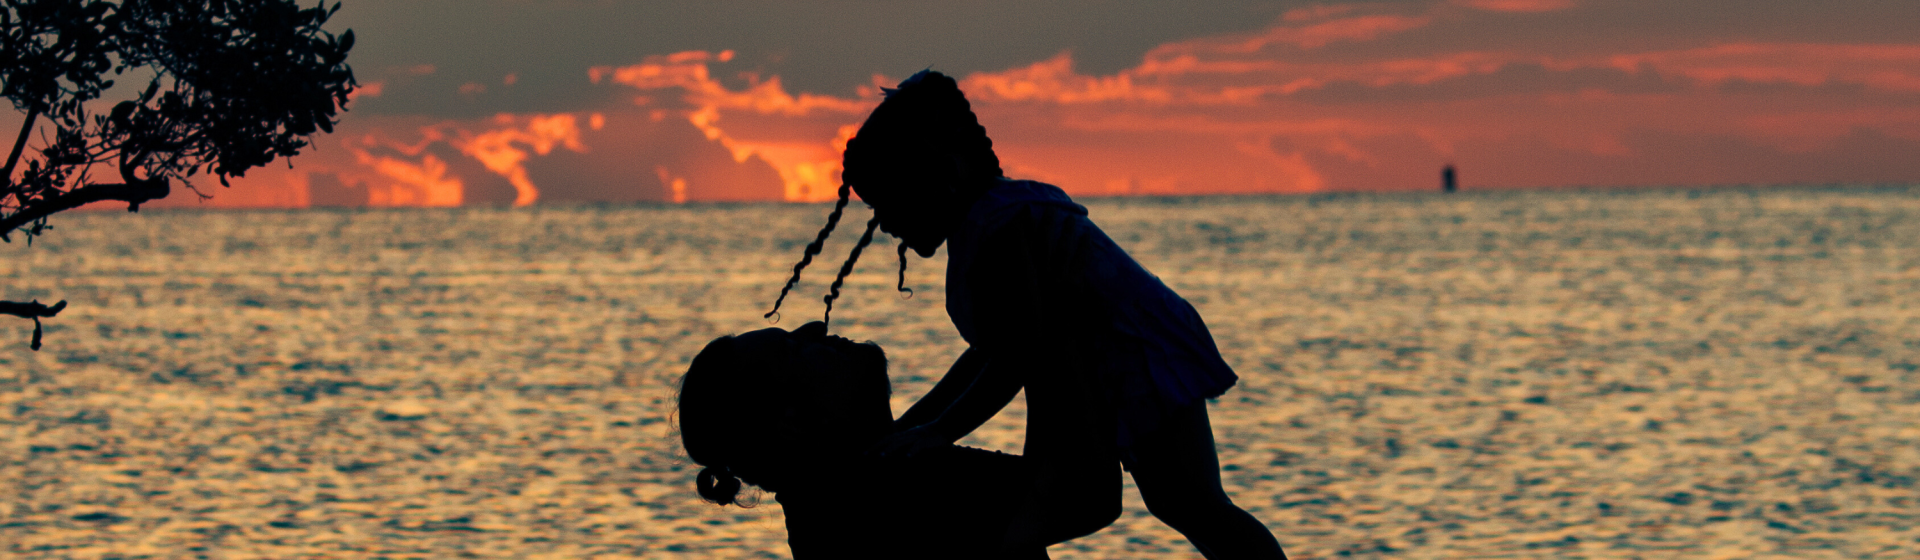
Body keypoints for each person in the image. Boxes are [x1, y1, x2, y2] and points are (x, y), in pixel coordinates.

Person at [763, 70, 1288, 559]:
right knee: (1187, 505)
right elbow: (989, 355)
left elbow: (1018, 352)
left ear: (943, 175)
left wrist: (940, 430)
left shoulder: (1002, 226)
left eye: (890, 202)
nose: (883, 223)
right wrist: (914, 425)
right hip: (1115, 361)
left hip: (1138, 354)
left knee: (1190, 503)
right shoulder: (981, 234)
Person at [677, 322, 1052, 559]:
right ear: (792, 425)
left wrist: (1021, 317)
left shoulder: (829, 503)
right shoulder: (904, 490)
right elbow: (1083, 492)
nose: (814, 327)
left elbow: (990, 359)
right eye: (795, 348)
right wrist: (1051, 336)